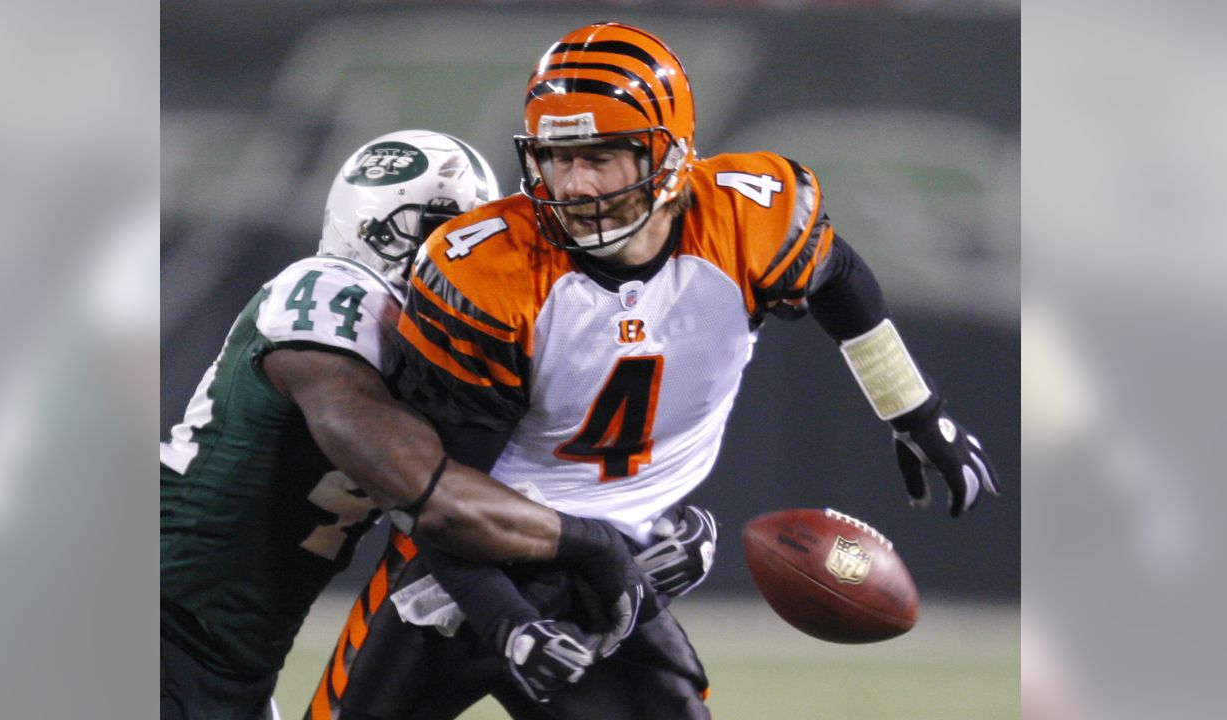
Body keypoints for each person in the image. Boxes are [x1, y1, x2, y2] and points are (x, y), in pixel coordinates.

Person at [320, 21, 999, 720]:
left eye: (600, 156)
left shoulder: (743, 221)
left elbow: (840, 278)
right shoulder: (495, 275)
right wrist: (507, 623)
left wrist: (916, 412)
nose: (574, 183)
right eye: (556, 156)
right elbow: (442, 499)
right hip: (467, 567)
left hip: (611, 571)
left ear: (668, 152)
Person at [160, 130, 652, 720]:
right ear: (371, 221)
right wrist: (591, 544)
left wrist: (639, 536)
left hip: (228, 662)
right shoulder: (327, 290)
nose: (462, 252)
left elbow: (478, 512)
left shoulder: (430, 354)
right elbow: (433, 497)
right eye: (443, 229)